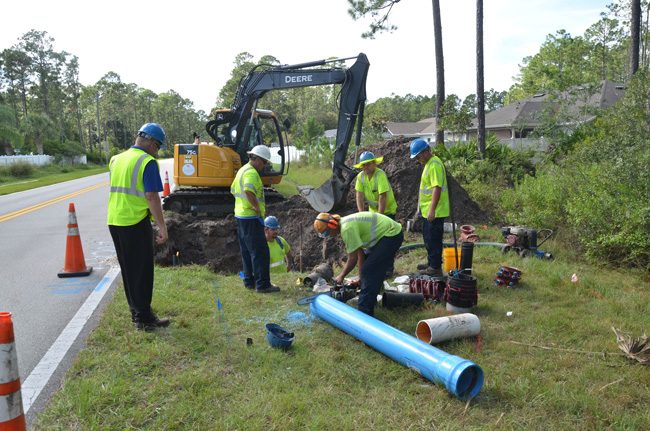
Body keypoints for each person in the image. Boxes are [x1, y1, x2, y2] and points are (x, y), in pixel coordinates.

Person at [107, 123, 170, 331]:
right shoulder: (147, 162)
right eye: (158, 146)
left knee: (128, 269)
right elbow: (151, 196)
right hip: (134, 221)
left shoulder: (116, 159)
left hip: (115, 221)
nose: (157, 151)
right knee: (142, 270)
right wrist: (162, 227)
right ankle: (144, 318)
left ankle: (137, 312)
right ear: (152, 143)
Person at [314, 211, 403, 316]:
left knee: (369, 270)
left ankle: (365, 312)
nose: (327, 236)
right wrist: (361, 277)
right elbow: (360, 253)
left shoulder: (347, 229)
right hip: (384, 236)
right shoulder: (345, 224)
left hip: (391, 235)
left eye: (326, 233)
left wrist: (341, 276)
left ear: (332, 225)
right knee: (368, 269)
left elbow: (353, 258)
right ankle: (372, 297)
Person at [231, 145, 280, 293]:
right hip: (251, 217)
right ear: (257, 159)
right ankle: (263, 285)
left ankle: (249, 281)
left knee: (247, 251)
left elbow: (233, 190)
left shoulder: (242, 170)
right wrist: (256, 208)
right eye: (264, 162)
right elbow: (248, 190)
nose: (264, 165)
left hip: (241, 216)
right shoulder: (251, 173)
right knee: (260, 252)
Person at [409, 138, 450, 277]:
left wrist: (432, 209)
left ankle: (435, 268)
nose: (417, 159)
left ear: (426, 152)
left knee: (433, 239)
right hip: (429, 211)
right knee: (428, 238)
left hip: (436, 211)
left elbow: (436, 188)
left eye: (418, 156)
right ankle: (432, 263)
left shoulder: (434, 165)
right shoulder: (429, 163)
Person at [354, 151, 398, 219]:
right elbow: (359, 196)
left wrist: (380, 217)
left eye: (368, 164)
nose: (366, 167)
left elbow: (382, 197)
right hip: (373, 212)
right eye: (363, 165)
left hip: (387, 211)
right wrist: (361, 214)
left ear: (374, 163)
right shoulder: (360, 176)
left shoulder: (380, 175)